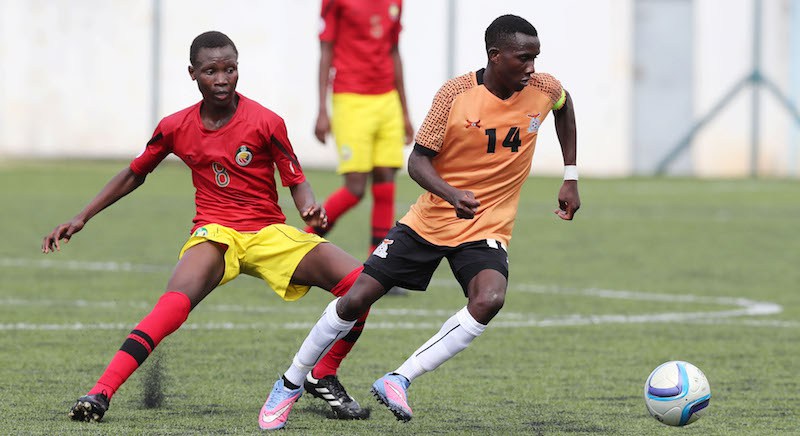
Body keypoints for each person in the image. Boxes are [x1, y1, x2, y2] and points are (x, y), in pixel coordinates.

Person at [260, 14, 581, 426]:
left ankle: (399, 378)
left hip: (486, 226)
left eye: (536, 57)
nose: (532, 68)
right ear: (495, 55)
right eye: (524, 58)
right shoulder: (455, 94)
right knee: (356, 298)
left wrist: (570, 176)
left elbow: (564, 106)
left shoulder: (544, 88)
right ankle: (290, 382)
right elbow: (417, 161)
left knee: (489, 299)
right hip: (429, 221)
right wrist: (451, 194)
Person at [41, 31, 371, 429]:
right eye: (211, 71)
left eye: (230, 69)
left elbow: (296, 180)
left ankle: (323, 373)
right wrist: (82, 216)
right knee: (172, 306)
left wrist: (308, 208)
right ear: (193, 73)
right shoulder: (175, 126)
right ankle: (100, 392)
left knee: (362, 283)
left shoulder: (266, 122)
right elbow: (134, 173)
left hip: (267, 232)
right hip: (215, 232)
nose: (222, 79)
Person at [308, 0, 414, 261]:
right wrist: (322, 109)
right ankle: (303, 241)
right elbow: (326, 51)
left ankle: (378, 262)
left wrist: (404, 112)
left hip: (388, 99)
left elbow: (394, 51)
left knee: (386, 180)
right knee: (355, 188)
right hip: (350, 98)